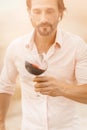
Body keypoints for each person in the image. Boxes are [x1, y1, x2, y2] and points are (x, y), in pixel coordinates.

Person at [0, 0, 87, 130]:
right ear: (29, 13)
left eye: (50, 11)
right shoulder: (16, 47)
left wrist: (61, 89)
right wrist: (1, 122)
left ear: (60, 13)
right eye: (37, 11)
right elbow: (5, 86)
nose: (43, 18)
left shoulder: (77, 46)